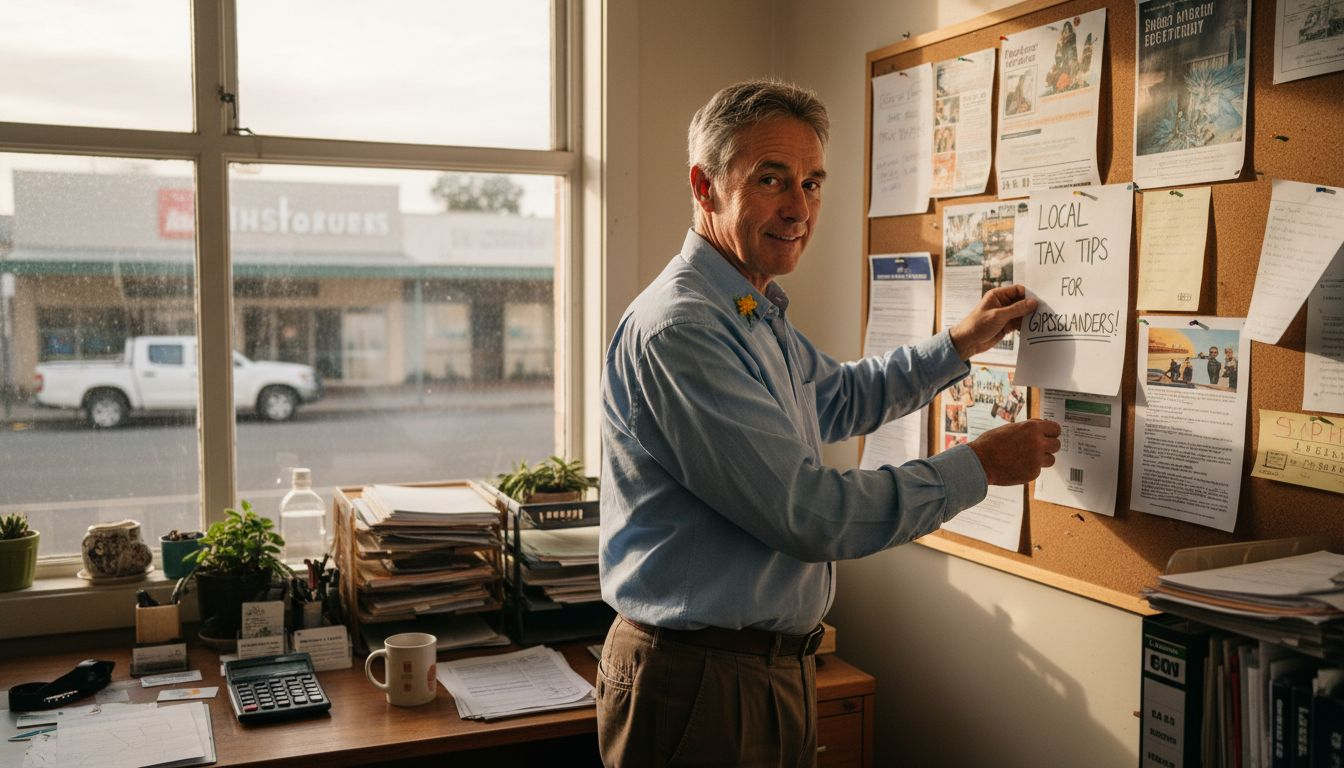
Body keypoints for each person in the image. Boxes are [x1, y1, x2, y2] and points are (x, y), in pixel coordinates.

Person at [597, 79, 1062, 767]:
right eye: (771, 179)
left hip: (762, 670)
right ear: (705, 186)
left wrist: (958, 344)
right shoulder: (684, 327)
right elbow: (810, 514)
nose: (799, 207)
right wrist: (982, 467)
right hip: (702, 678)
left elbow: (836, 398)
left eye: (813, 183)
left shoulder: (749, 308)